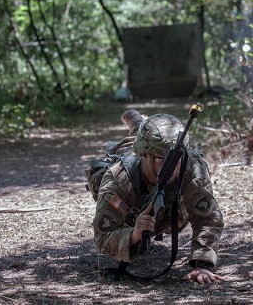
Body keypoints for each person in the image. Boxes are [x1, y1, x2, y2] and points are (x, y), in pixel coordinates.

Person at [91, 108, 226, 284]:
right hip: (133, 214)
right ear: (145, 156)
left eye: (178, 157)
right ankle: (136, 122)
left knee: (151, 141)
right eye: (163, 160)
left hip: (174, 214)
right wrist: (134, 234)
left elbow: (208, 217)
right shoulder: (119, 180)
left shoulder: (191, 166)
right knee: (126, 151)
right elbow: (102, 237)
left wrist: (202, 264)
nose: (174, 166)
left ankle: (140, 125)